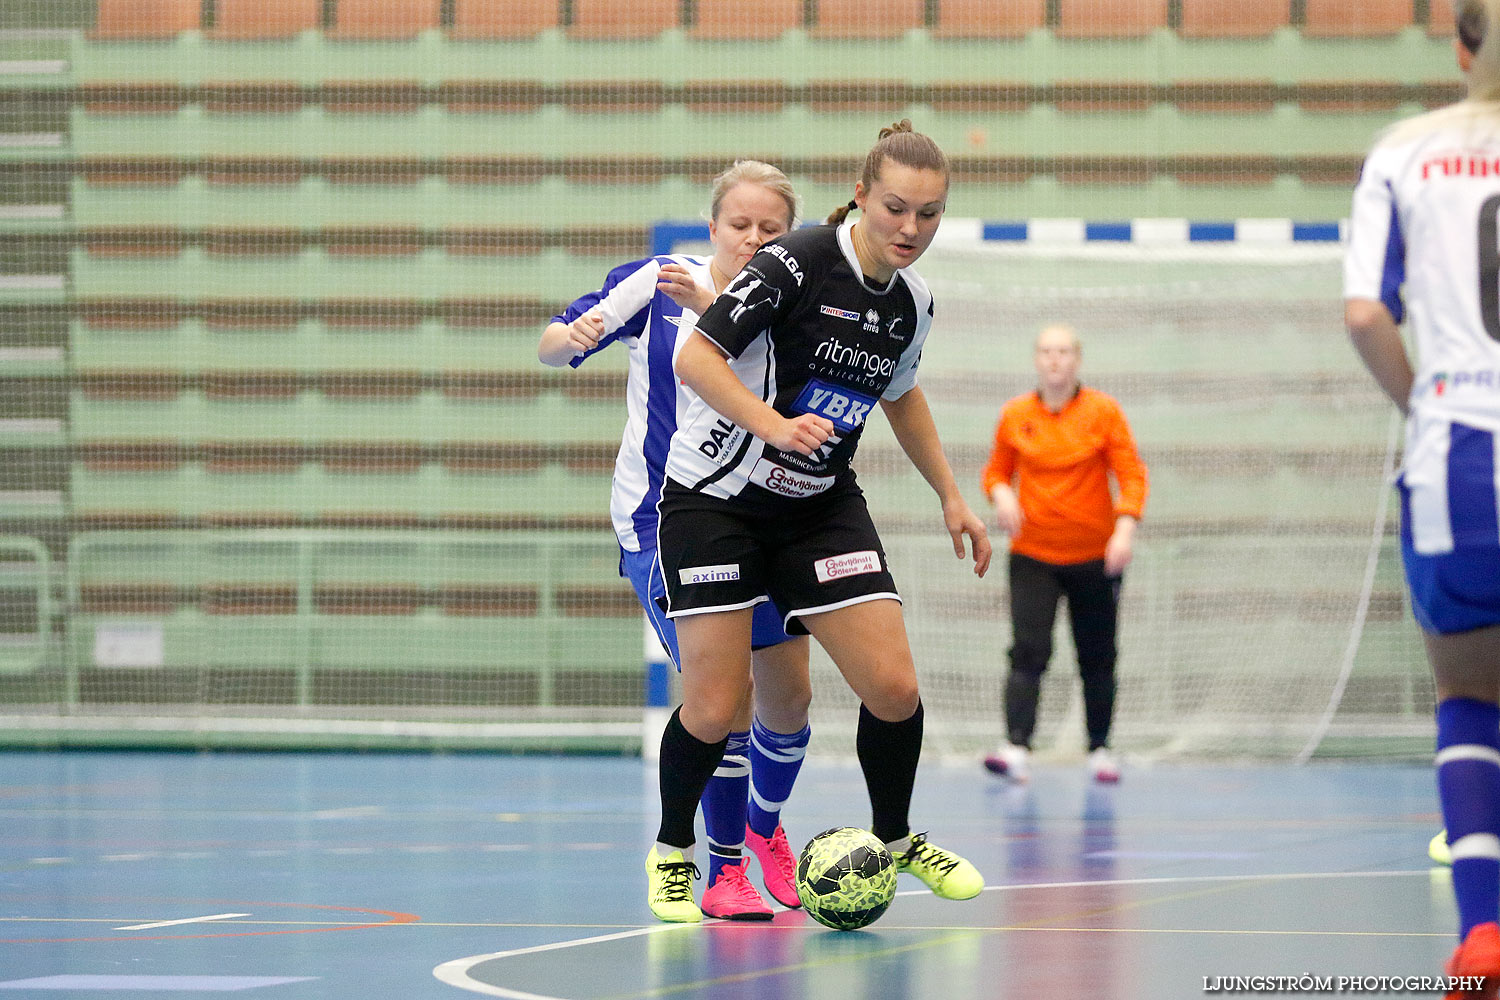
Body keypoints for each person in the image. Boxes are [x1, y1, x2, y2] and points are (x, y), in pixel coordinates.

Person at [644, 119, 992, 923]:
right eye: (897, 208)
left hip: (818, 507)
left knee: (894, 688)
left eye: (930, 214)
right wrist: (773, 425)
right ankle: (673, 852)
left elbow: (899, 394)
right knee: (715, 704)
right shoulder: (793, 261)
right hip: (716, 502)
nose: (911, 229)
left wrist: (951, 494)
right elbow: (694, 357)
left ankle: (897, 840)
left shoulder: (913, 301)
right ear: (861, 197)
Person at [540, 161, 813, 921]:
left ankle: (762, 830)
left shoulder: (792, 302)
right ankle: (699, 862)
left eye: (771, 229)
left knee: (789, 698)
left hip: (761, 515)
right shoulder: (658, 283)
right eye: (740, 225)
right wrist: (572, 336)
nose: (753, 239)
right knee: (721, 697)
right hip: (665, 520)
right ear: (713, 225)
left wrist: (722, 305)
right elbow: (552, 348)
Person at [1344, 2, 1500, 993]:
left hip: (1459, 452)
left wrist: (1426, 401)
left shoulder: (1406, 151)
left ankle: (1485, 933)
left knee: (1469, 694)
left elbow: (1365, 311)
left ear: (1459, 47)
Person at [979, 323, 1148, 786]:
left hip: (1096, 558)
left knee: (1097, 654)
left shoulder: (1104, 412)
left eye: (1064, 352)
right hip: (1034, 555)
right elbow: (995, 471)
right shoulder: (1015, 415)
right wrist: (1002, 494)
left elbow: (1131, 475)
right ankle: (1016, 747)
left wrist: (1124, 529)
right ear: (1037, 359)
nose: (1055, 360)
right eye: (1047, 352)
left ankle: (1100, 748)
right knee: (1029, 650)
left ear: (1077, 359)